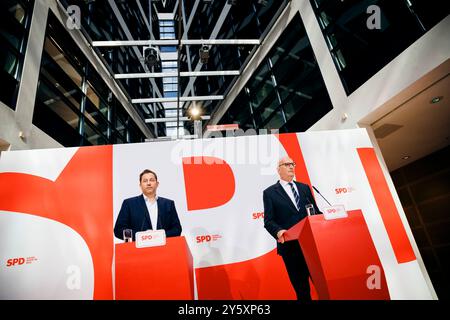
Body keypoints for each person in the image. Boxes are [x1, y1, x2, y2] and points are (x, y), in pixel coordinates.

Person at [263, 156, 322, 300]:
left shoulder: (304, 188)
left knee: (323, 285)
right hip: (291, 249)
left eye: (293, 164)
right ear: (278, 170)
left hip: (313, 247)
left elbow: (316, 212)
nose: (291, 167)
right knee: (302, 292)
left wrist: (327, 218)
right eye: (287, 164)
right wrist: (279, 231)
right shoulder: (270, 193)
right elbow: (269, 220)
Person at [114, 169, 182, 241]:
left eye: (152, 180)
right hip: (138, 250)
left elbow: (177, 229)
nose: (148, 183)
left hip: (164, 248)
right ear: (140, 185)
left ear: (157, 184)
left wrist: (160, 235)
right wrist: (141, 236)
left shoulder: (168, 204)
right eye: (145, 181)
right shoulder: (129, 204)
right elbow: (119, 230)